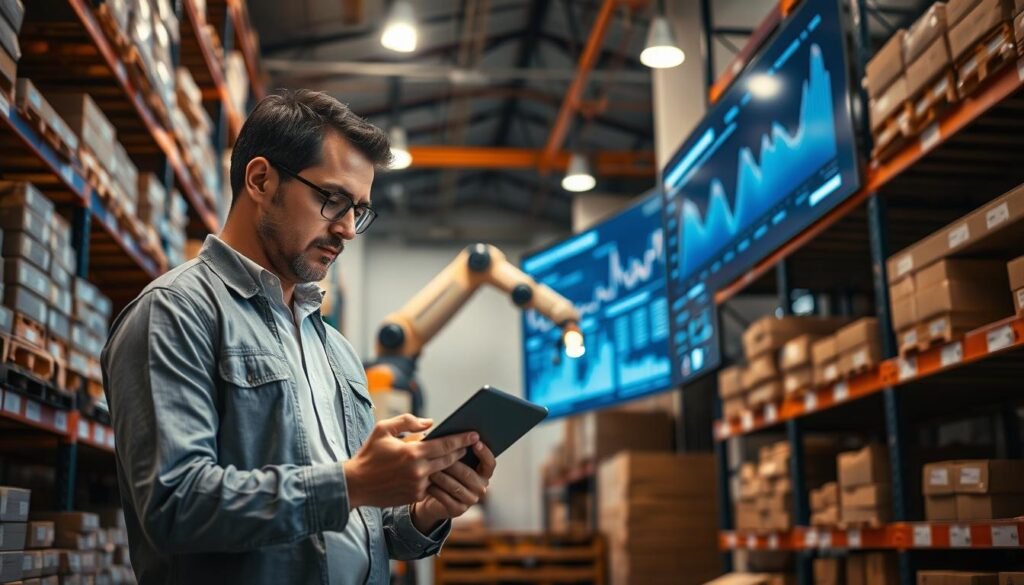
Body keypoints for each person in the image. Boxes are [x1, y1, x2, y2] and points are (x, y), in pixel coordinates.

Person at [102, 89, 496, 585]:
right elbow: (174, 505)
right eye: (333, 200)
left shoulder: (336, 351)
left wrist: (426, 510)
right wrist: (351, 484)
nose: (349, 230)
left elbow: (352, 527)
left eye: (360, 210)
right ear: (261, 179)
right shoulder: (175, 313)